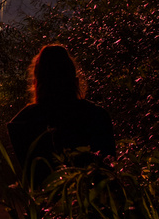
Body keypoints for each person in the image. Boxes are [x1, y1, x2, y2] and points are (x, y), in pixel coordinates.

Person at [8, 44, 116, 186]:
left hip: (49, 205)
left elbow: (34, 180)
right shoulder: (97, 115)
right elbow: (108, 172)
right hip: (95, 202)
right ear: (72, 78)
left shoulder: (22, 122)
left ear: (37, 81)